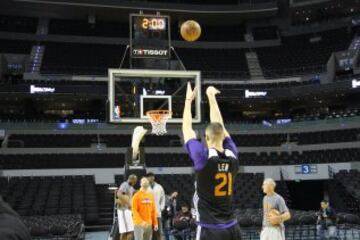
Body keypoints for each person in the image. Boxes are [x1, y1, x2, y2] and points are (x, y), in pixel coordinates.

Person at [182, 84, 241, 240]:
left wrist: (188, 100)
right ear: (223, 136)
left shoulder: (203, 157)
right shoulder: (233, 154)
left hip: (211, 229)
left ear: (206, 138)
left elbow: (187, 129)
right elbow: (219, 126)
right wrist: (211, 96)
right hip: (233, 228)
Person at [117, 174, 138, 240]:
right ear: (131, 179)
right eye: (135, 181)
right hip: (124, 210)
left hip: (127, 211)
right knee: (129, 231)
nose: (135, 182)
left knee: (125, 231)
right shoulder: (125, 185)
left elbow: (135, 192)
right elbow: (119, 194)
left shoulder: (130, 187)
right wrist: (128, 203)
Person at [146, 172, 165, 240]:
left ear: (153, 177)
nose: (150, 178)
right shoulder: (144, 187)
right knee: (148, 233)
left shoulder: (159, 187)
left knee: (157, 232)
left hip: (157, 213)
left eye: (151, 176)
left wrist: (161, 208)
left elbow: (163, 198)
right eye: (148, 177)